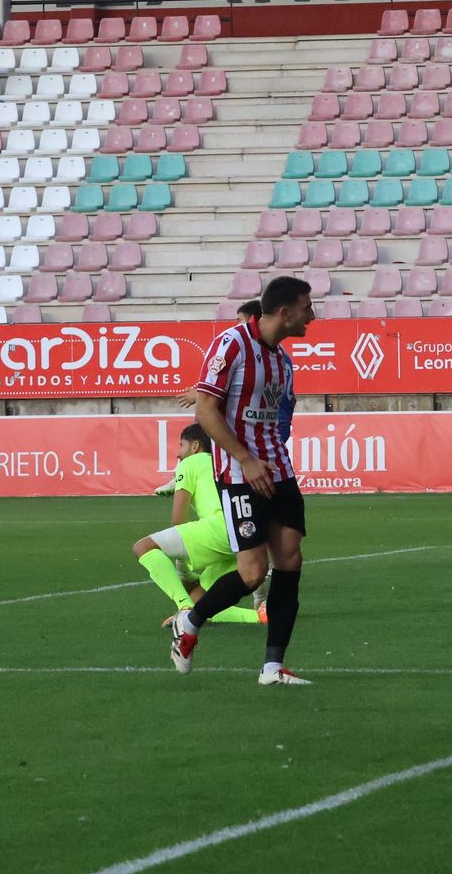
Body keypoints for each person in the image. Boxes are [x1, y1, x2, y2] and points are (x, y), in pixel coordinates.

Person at [170, 276, 315, 686]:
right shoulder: (231, 344)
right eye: (306, 308)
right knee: (252, 573)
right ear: (284, 312)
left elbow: (272, 416)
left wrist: (267, 458)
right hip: (239, 474)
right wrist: (246, 459)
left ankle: (272, 667)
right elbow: (205, 411)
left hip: (278, 469)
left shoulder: (281, 359)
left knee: (290, 559)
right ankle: (190, 622)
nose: (312, 315)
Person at [132, 423, 263, 627]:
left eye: (181, 445)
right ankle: (260, 617)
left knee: (142, 547)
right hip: (243, 533)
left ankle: (183, 606)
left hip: (219, 528)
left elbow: (178, 519)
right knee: (202, 603)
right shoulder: (223, 463)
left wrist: (181, 566)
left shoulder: (190, 463)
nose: (178, 453)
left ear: (195, 446)